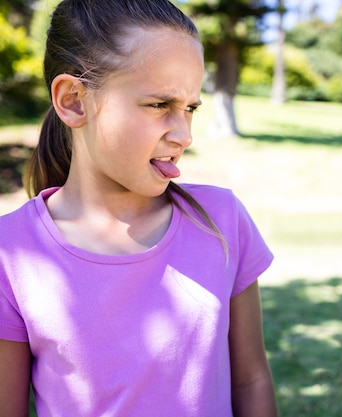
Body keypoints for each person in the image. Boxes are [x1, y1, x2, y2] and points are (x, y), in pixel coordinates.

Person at [0, 1, 277, 416]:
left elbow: (251, 379)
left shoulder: (223, 221)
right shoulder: (11, 253)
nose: (183, 134)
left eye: (191, 108)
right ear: (74, 101)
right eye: (159, 105)